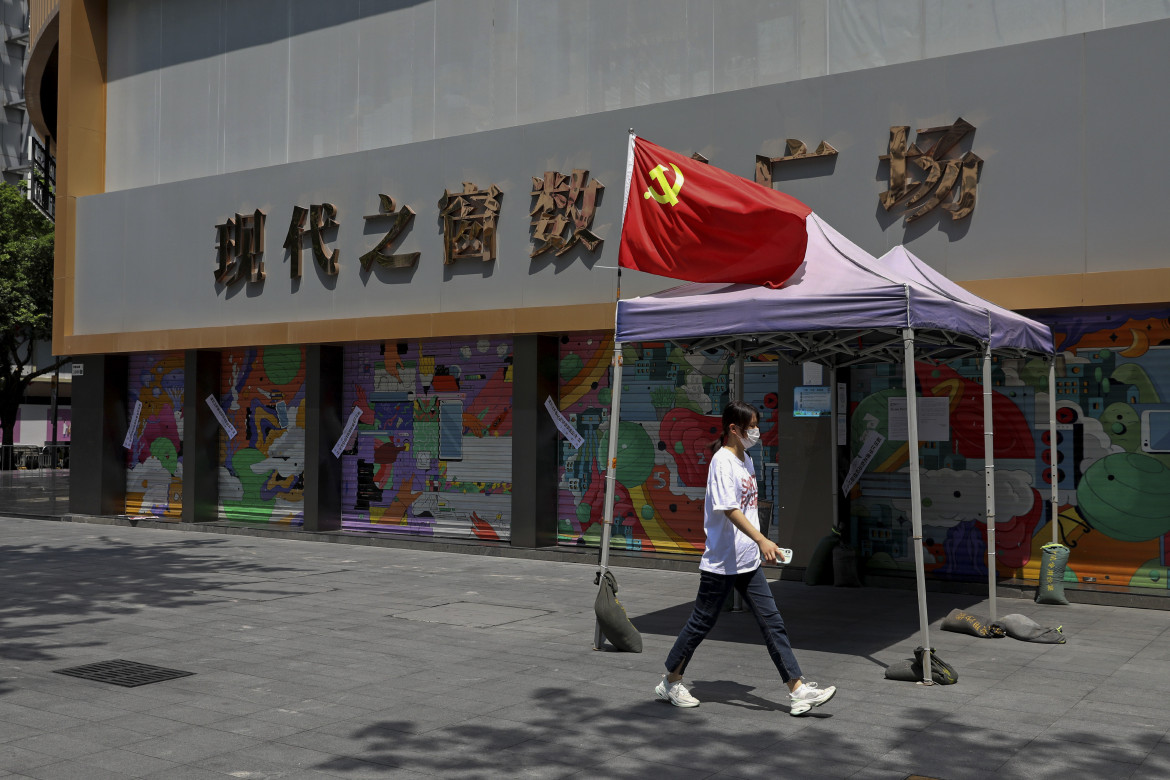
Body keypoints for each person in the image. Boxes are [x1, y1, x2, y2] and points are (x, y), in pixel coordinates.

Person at [654, 400, 837, 716]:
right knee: (701, 622)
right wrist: (762, 539)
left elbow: (750, 508)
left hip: (746, 559)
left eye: (757, 424)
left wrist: (761, 545)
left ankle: (797, 690)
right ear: (733, 429)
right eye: (751, 425)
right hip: (722, 561)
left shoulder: (747, 460)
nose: (757, 431)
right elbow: (729, 509)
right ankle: (671, 681)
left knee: (772, 621)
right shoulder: (722, 462)